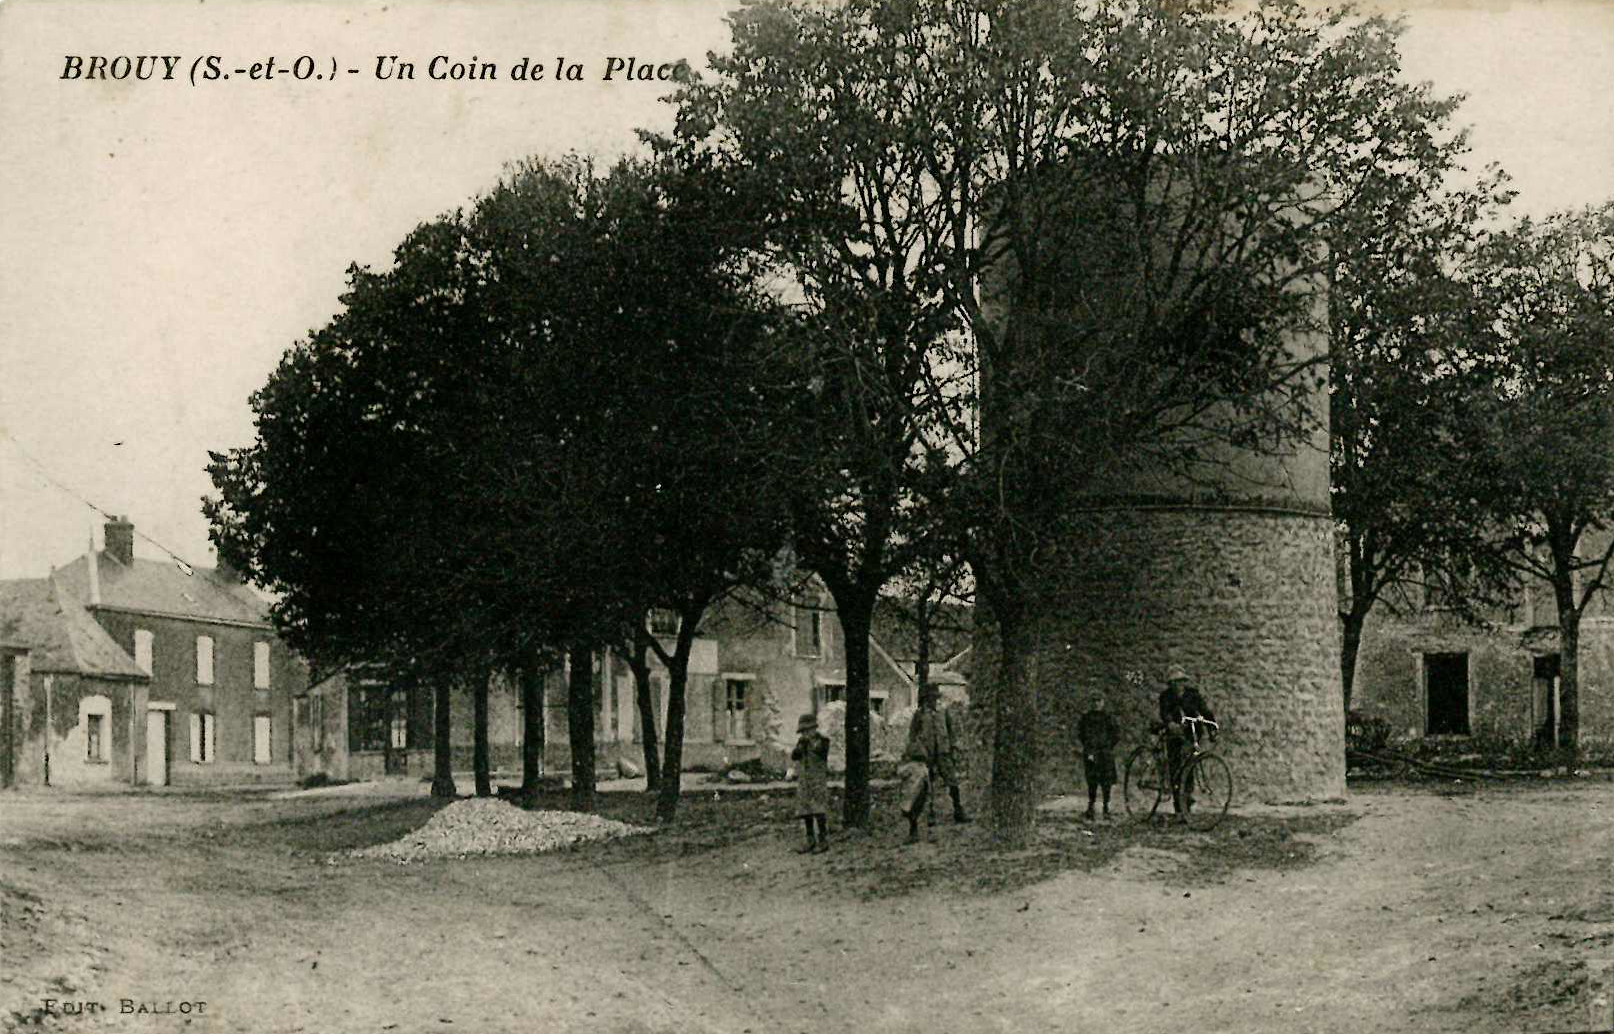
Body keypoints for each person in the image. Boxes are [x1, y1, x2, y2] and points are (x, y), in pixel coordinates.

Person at [908, 683, 970, 826]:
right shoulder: (920, 714)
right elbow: (912, 735)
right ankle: (929, 815)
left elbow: (950, 731)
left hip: (943, 752)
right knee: (927, 786)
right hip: (927, 755)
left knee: (953, 782)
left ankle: (958, 811)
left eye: (935, 697)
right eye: (930, 698)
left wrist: (953, 747)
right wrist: (917, 751)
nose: (933, 700)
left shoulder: (943, 712)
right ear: (925, 698)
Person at [1158, 665, 1216, 819]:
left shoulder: (1193, 695)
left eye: (1182, 681)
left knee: (1189, 766)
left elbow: (1205, 711)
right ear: (1171, 683)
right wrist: (1171, 724)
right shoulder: (1166, 696)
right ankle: (1179, 807)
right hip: (1174, 735)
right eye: (1176, 682)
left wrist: (1212, 728)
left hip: (1191, 733)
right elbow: (1165, 713)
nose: (1179, 684)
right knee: (1176, 767)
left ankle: (1186, 803)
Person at [791, 713, 831, 853]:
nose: (805, 734)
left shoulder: (823, 741)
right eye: (803, 731)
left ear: (814, 728)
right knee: (805, 809)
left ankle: (823, 840)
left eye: (807, 730)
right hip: (804, 779)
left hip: (817, 779)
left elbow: (821, 752)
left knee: (819, 809)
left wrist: (811, 744)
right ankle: (810, 839)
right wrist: (800, 747)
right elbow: (794, 756)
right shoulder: (801, 742)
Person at [1076, 690, 1120, 821]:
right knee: (1092, 781)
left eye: (1099, 701)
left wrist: (1108, 746)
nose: (1096, 703)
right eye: (1094, 701)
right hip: (1091, 752)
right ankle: (1091, 807)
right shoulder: (1086, 718)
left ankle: (1106, 807)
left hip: (1105, 753)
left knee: (1107, 782)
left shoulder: (1109, 718)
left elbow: (1116, 734)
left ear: (1103, 702)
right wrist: (1088, 747)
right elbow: (1081, 734)